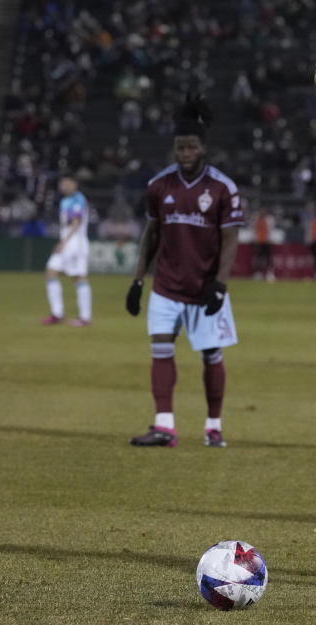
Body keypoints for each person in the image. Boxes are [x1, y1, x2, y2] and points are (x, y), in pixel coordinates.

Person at [125, 94, 244, 449]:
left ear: (203, 147)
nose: (185, 153)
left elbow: (230, 241)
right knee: (161, 347)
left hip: (204, 288)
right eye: (180, 147)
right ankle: (164, 426)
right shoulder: (159, 186)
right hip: (166, 287)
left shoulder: (224, 188)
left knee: (211, 355)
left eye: (191, 146)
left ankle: (213, 425)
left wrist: (220, 286)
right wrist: (136, 280)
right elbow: (152, 234)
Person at [41, 173, 93, 327]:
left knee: (78, 277)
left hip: (75, 244)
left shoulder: (78, 199)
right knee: (51, 272)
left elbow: (76, 223)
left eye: (67, 183)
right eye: (62, 183)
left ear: (74, 184)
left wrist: (63, 242)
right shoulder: (65, 201)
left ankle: (85, 318)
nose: (64, 185)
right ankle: (57, 314)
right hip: (67, 243)